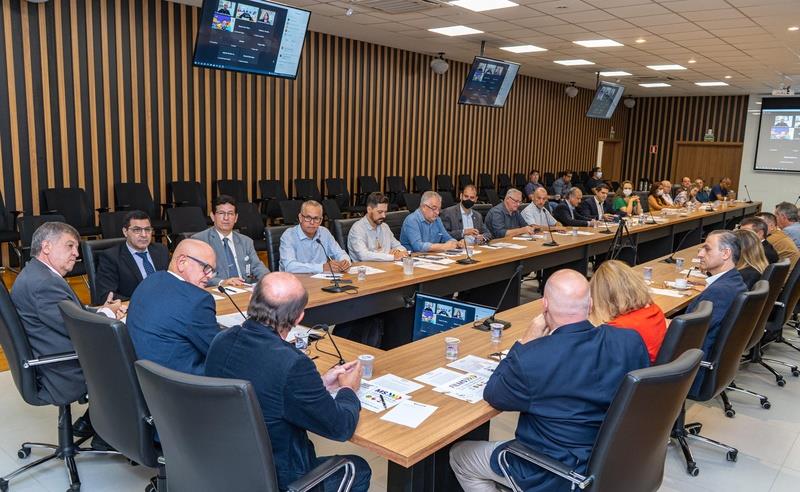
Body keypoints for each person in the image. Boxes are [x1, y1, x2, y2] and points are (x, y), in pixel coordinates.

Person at [449, 269, 649, 492]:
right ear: (590, 304)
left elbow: (494, 394)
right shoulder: (630, 341)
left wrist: (525, 341)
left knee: (460, 456)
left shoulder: (533, 358)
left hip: (552, 472)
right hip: (613, 462)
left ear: (544, 305)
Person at [204, 272, 370, 491]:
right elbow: (340, 428)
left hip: (225, 466)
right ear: (299, 317)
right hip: (279, 479)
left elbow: (267, 388)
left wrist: (319, 383)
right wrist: (348, 388)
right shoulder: (292, 363)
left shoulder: (221, 340)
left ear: (253, 301)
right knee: (359, 468)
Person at [11, 221, 126, 446]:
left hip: (50, 355)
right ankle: (110, 435)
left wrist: (101, 309)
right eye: (70, 246)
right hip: (62, 369)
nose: (77, 253)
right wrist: (108, 316)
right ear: (47, 247)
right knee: (132, 357)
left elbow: (71, 312)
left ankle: (97, 423)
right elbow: (78, 328)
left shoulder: (38, 273)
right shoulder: (43, 283)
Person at [126, 239, 220, 376]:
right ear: (182, 262)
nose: (210, 276)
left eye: (212, 271)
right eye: (206, 268)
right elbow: (220, 351)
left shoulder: (150, 281)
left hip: (145, 379)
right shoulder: (196, 300)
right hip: (182, 386)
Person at [686, 230, 746, 394]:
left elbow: (689, 332)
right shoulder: (736, 281)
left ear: (726, 253)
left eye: (707, 249)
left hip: (693, 369)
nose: (700, 254)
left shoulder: (719, 292)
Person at [589, 260, 667, 363]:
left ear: (604, 297)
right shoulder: (655, 310)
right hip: (652, 372)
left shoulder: (617, 329)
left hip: (634, 373)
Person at [192, 195, 269, 286]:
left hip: (244, 288)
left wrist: (269, 278)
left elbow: (257, 266)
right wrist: (222, 282)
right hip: (218, 290)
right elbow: (197, 274)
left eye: (230, 213)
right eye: (221, 213)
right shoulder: (200, 240)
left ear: (236, 218)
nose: (226, 218)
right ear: (212, 216)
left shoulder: (246, 241)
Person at [95, 210, 169, 301]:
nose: (144, 235)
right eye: (137, 230)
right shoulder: (111, 257)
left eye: (147, 229)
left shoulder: (161, 250)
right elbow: (106, 295)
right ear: (125, 232)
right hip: (135, 309)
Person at [280, 200, 351, 273]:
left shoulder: (324, 232)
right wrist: (322, 267)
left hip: (321, 279)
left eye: (316, 218)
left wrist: (344, 261)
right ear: (300, 217)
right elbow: (290, 266)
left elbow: (339, 253)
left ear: (321, 221)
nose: (312, 222)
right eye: (308, 217)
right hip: (296, 280)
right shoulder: (289, 236)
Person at [347, 192, 408, 261]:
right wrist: (391, 257)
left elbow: (399, 246)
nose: (384, 216)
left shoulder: (385, 227)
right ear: (369, 210)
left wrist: (398, 252)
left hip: (387, 267)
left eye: (385, 212)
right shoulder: (357, 229)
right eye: (380, 212)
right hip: (366, 269)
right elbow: (363, 256)